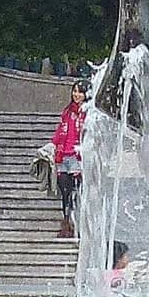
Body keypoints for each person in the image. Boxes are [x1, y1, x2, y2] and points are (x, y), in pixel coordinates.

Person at [51, 81, 88, 238]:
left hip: (77, 157)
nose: (76, 94)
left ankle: (76, 223)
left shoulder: (88, 112)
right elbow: (60, 131)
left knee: (76, 191)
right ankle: (66, 222)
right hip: (63, 156)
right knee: (65, 192)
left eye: (80, 92)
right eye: (74, 91)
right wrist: (52, 146)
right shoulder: (67, 112)